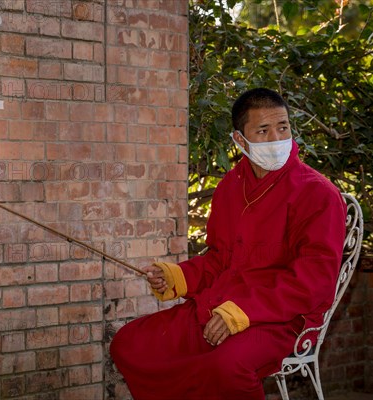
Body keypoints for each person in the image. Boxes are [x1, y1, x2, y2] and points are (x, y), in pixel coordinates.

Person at [110, 88, 347, 400]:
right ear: (240, 140)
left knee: (226, 365)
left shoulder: (318, 194)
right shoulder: (229, 188)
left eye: (283, 127)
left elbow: (313, 282)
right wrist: (177, 276)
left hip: (283, 319)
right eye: (263, 130)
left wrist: (244, 311)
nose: (276, 138)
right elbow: (220, 259)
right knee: (129, 344)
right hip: (220, 304)